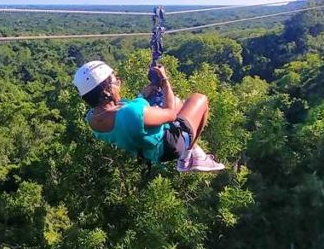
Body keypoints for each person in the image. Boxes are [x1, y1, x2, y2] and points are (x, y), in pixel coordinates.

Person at [74, 61, 225, 172]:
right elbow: (171, 114)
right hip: (171, 144)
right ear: (106, 91)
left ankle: (191, 154)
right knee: (200, 99)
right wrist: (165, 81)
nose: (119, 84)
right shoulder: (130, 113)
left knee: (178, 102)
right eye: (115, 82)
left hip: (149, 152)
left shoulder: (92, 119)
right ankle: (188, 157)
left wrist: (142, 96)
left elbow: (127, 113)